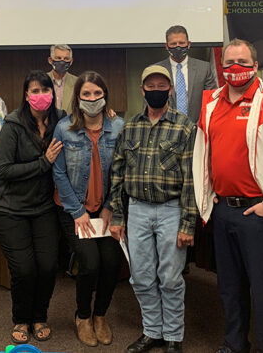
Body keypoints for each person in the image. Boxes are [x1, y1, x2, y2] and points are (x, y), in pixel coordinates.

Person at [193, 39, 263, 353]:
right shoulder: (210, 101)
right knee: (229, 288)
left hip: (259, 213)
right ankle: (234, 344)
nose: (235, 69)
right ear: (220, 67)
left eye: (242, 62)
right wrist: (207, 195)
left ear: (256, 65)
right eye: (229, 63)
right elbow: (203, 152)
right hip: (223, 209)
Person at [109, 65, 197, 353]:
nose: (156, 90)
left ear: (170, 89)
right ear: (142, 89)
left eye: (162, 86)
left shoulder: (185, 126)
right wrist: (118, 216)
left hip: (171, 210)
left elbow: (191, 180)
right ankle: (152, 332)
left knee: (171, 278)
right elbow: (118, 175)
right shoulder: (130, 127)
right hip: (137, 211)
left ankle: (173, 336)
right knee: (142, 277)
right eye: (151, 86)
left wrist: (188, 224)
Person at [0, 70, 64, 345]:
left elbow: (86, 122)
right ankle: (21, 319)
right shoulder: (13, 125)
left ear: (52, 94)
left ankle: (39, 316)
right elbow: (5, 171)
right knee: (24, 269)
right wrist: (44, 162)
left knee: (47, 266)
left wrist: (111, 115)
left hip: (42, 207)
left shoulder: (60, 121)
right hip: (9, 208)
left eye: (45, 90)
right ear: (26, 95)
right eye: (35, 91)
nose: (41, 96)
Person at [52, 71, 125, 347]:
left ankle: (100, 315)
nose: (92, 99)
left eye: (97, 94)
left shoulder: (118, 126)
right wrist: (77, 211)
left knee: (111, 262)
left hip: (105, 210)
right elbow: (58, 174)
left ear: (105, 96)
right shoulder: (64, 128)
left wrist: (109, 207)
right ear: (78, 97)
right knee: (90, 263)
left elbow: (122, 173)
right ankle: (82, 316)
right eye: (86, 94)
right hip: (74, 210)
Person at [153, 25, 217, 124]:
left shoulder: (204, 68)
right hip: (165, 130)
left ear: (189, 44)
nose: (178, 46)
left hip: (196, 128)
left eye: (182, 43)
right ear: (166, 46)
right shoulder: (156, 70)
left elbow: (213, 102)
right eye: (173, 43)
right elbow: (149, 107)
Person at [48, 44, 78, 114]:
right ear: (50, 60)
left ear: (71, 61)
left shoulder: (78, 83)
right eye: (58, 58)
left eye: (66, 59)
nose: (62, 62)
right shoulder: (41, 81)